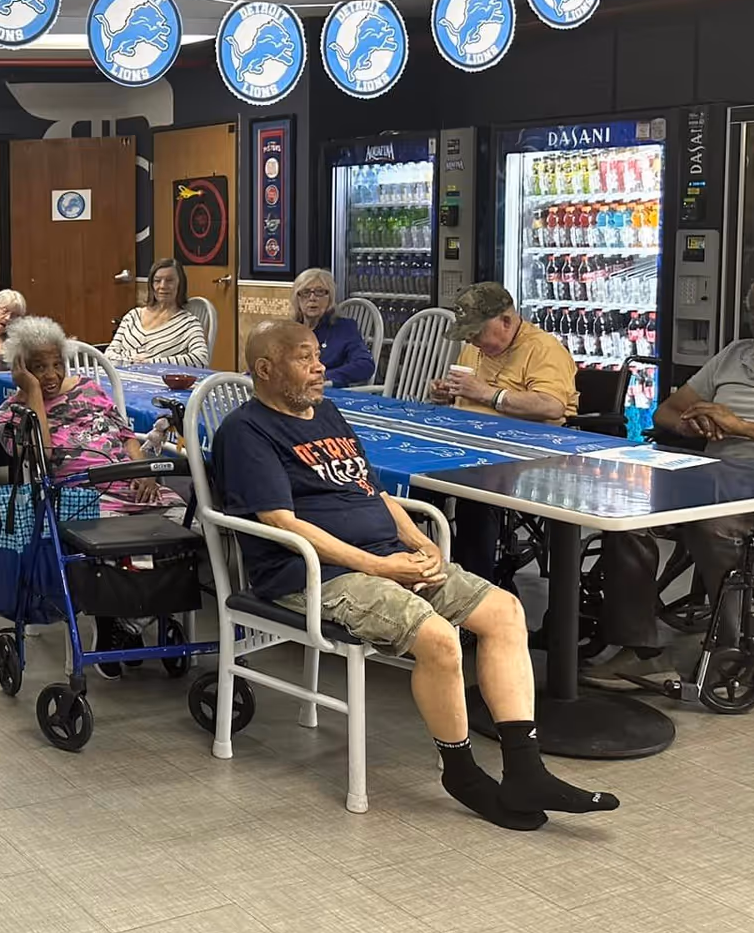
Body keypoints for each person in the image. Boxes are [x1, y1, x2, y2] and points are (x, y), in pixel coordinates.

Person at [216, 323, 617, 829]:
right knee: (438, 638)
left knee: (504, 612)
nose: (320, 367)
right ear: (266, 370)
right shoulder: (247, 431)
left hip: (384, 554)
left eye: (318, 356)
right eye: (304, 359)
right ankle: (462, 773)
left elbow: (373, 490)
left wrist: (418, 539)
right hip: (314, 573)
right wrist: (380, 566)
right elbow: (281, 523)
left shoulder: (328, 414)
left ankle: (524, 769)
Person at [592, 270, 754, 681]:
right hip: (712, 476)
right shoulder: (734, 354)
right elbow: (666, 412)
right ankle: (640, 646)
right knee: (624, 517)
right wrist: (695, 424)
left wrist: (741, 426)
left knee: (713, 525)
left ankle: (731, 649)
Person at [0, 314, 180, 676]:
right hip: (78, 496)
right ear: (21, 369)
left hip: (131, 484)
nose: (50, 375)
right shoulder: (10, 414)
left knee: (193, 528)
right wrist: (31, 394)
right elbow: (42, 459)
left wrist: (144, 474)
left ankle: (125, 622)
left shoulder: (90, 391)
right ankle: (122, 619)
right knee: (124, 541)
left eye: (55, 365)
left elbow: (126, 435)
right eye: (38, 368)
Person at [428, 283, 579, 579]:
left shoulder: (543, 349)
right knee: (403, 485)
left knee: (476, 496)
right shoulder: (476, 350)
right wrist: (448, 394)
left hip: (525, 453)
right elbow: (469, 393)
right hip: (468, 442)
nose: (472, 342)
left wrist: (488, 395)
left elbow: (551, 406)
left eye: (477, 333)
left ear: (506, 322)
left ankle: (475, 587)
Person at [107, 258, 208, 367]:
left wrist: (153, 362)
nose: (162, 286)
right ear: (151, 285)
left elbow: (201, 360)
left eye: (169, 280)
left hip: (158, 381)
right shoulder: (133, 316)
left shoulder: (189, 324)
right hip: (121, 378)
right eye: (157, 281)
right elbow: (109, 355)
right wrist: (131, 362)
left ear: (180, 284)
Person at [292, 267, 375, 387]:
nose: (312, 298)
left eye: (320, 292)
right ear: (297, 298)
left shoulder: (344, 328)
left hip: (328, 393)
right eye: (305, 292)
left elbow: (365, 365)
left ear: (330, 298)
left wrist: (324, 376)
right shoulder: (288, 331)